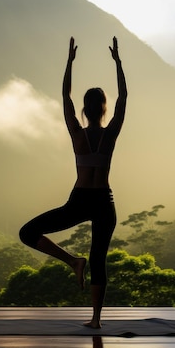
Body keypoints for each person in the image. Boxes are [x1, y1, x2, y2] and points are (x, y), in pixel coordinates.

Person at [19, 36, 127, 329]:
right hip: (103, 200)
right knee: (98, 259)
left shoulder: (77, 134)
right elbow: (124, 100)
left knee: (28, 232)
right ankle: (95, 319)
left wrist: (69, 62)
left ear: (84, 109)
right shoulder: (110, 133)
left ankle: (71, 261)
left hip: (79, 200)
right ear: (103, 109)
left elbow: (64, 97)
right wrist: (118, 63)